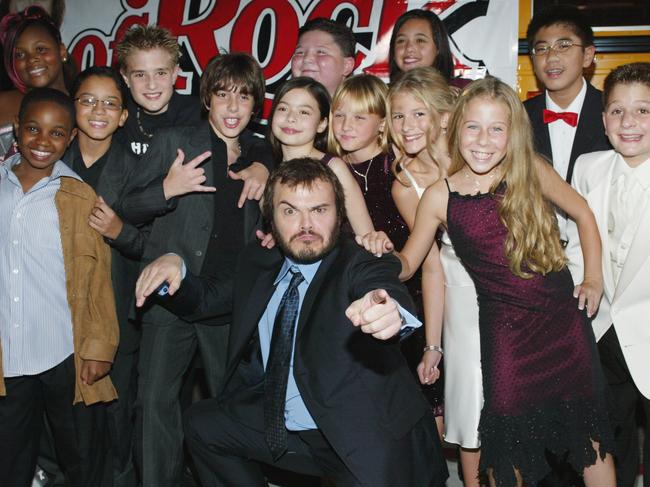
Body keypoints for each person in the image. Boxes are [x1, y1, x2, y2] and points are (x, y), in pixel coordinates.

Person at [362, 77, 616, 487]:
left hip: (560, 322)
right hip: (504, 333)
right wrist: (379, 252)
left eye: (496, 128)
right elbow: (410, 263)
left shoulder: (529, 169)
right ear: (456, 127)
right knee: (504, 442)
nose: (483, 139)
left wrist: (592, 279)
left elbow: (584, 214)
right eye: (473, 127)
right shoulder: (439, 196)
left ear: (512, 133)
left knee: (587, 436)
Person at [135, 157, 449, 487]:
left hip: (361, 436)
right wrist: (176, 268)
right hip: (285, 425)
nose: (306, 225)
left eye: (319, 210)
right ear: (270, 217)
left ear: (339, 215)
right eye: (290, 211)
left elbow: (385, 291)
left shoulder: (358, 262)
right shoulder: (259, 260)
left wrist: (390, 314)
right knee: (203, 423)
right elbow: (205, 299)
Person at [116, 52, 274, 487]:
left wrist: (263, 166)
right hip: (169, 300)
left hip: (227, 304)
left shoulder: (259, 157)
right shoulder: (176, 140)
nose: (233, 107)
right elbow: (125, 206)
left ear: (256, 105)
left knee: (229, 413)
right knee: (154, 407)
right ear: (206, 99)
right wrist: (167, 188)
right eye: (223, 95)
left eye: (244, 97)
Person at [0, 87, 118, 487]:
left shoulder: (78, 196)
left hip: (63, 352)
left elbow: (98, 278)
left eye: (55, 133)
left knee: (81, 458)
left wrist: (98, 348)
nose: (42, 141)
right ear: (17, 129)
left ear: (69, 138)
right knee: (10, 459)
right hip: (10, 356)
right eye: (33, 128)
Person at [388, 66, 482, 487]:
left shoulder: (482, 156)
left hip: (509, 290)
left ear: (444, 116)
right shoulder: (405, 185)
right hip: (461, 300)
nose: (406, 126)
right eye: (398, 115)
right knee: (469, 418)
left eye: (418, 114)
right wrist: (433, 344)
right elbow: (428, 264)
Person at [566, 62, 650, 487]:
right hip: (601, 329)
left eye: (643, 111)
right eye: (617, 111)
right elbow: (572, 243)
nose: (628, 122)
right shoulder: (587, 167)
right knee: (609, 440)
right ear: (602, 118)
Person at [61, 66, 145, 487]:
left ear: (124, 116)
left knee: (117, 410)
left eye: (110, 103)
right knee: (64, 411)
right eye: (88, 100)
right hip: (58, 309)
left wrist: (121, 233)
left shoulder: (138, 170)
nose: (98, 111)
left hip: (115, 311)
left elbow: (158, 247)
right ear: (72, 105)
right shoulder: (52, 159)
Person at [524, 5, 611, 243]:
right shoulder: (516, 116)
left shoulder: (614, 114)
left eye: (564, 45)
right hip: (533, 252)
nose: (551, 57)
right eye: (541, 48)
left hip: (600, 248)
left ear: (587, 55)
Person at [268, 76, 387, 245]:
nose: (291, 118)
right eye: (282, 109)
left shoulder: (334, 168)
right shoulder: (267, 168)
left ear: (322, 124)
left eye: (304, 112)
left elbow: (367, 236)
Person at [115, 24, 202, 157]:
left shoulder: (199, 116)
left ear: (174, 74)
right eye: (140, 75)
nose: (151, 85)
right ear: (126, 78)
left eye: (160, 73)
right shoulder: (117, 115)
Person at [0, 5, 73, 160]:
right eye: (19, 54)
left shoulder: (82, 108)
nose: (31, 59)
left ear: (62, 51)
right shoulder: (3, 103)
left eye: (40, 49)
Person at [388, 9, 470, 89]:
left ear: (438, 47)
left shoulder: (465, 92)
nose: (409, 48)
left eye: (420, 40)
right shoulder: (381, 95)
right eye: (401, 41)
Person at [291, 17, 356, 96]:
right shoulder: (283, 106)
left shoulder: (366, 107)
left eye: (321, 52)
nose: (307, 59)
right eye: (300, 52)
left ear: (347, 66)